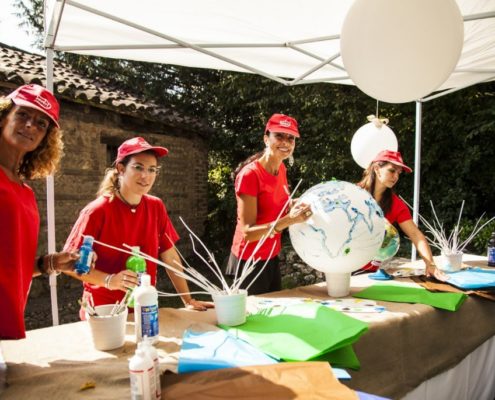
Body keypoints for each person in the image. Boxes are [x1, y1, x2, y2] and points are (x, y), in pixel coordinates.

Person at [64, 136, 213, 315]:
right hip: (103, 312)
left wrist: (187, 299)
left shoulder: (156, 206)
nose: (145, 176)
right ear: (120, 169)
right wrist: (109, 280)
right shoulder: (96, 211)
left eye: (152, 169)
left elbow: (169, 254)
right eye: (138, 167)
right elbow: (69, 265)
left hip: (145, 307)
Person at [0, 84, 80, 340]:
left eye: (41, 124)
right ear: (4, 117)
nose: (30, 126)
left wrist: (49, 264)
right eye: (22, 114)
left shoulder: (25, 192)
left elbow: (13, 263)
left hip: (9, 320)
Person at [226, 113, 312, 295]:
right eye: (279, 136)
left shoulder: (281, 168)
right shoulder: (250, 175)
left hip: (270, 255)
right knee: (254, 321)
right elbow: (248, 232)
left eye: (291, 138)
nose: (286, 142)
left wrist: (292, 205)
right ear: (266, 139)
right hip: (249, 261)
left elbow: (275, 204)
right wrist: (290, 220)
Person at [356, 149, 444, 279]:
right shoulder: (351, 194)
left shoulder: (396, 204)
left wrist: (430, 265)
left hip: (367, 272)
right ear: (376, 168)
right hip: (340, 266)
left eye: (399, 173)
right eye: (392, 170)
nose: (396, 176)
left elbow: (416, 235)